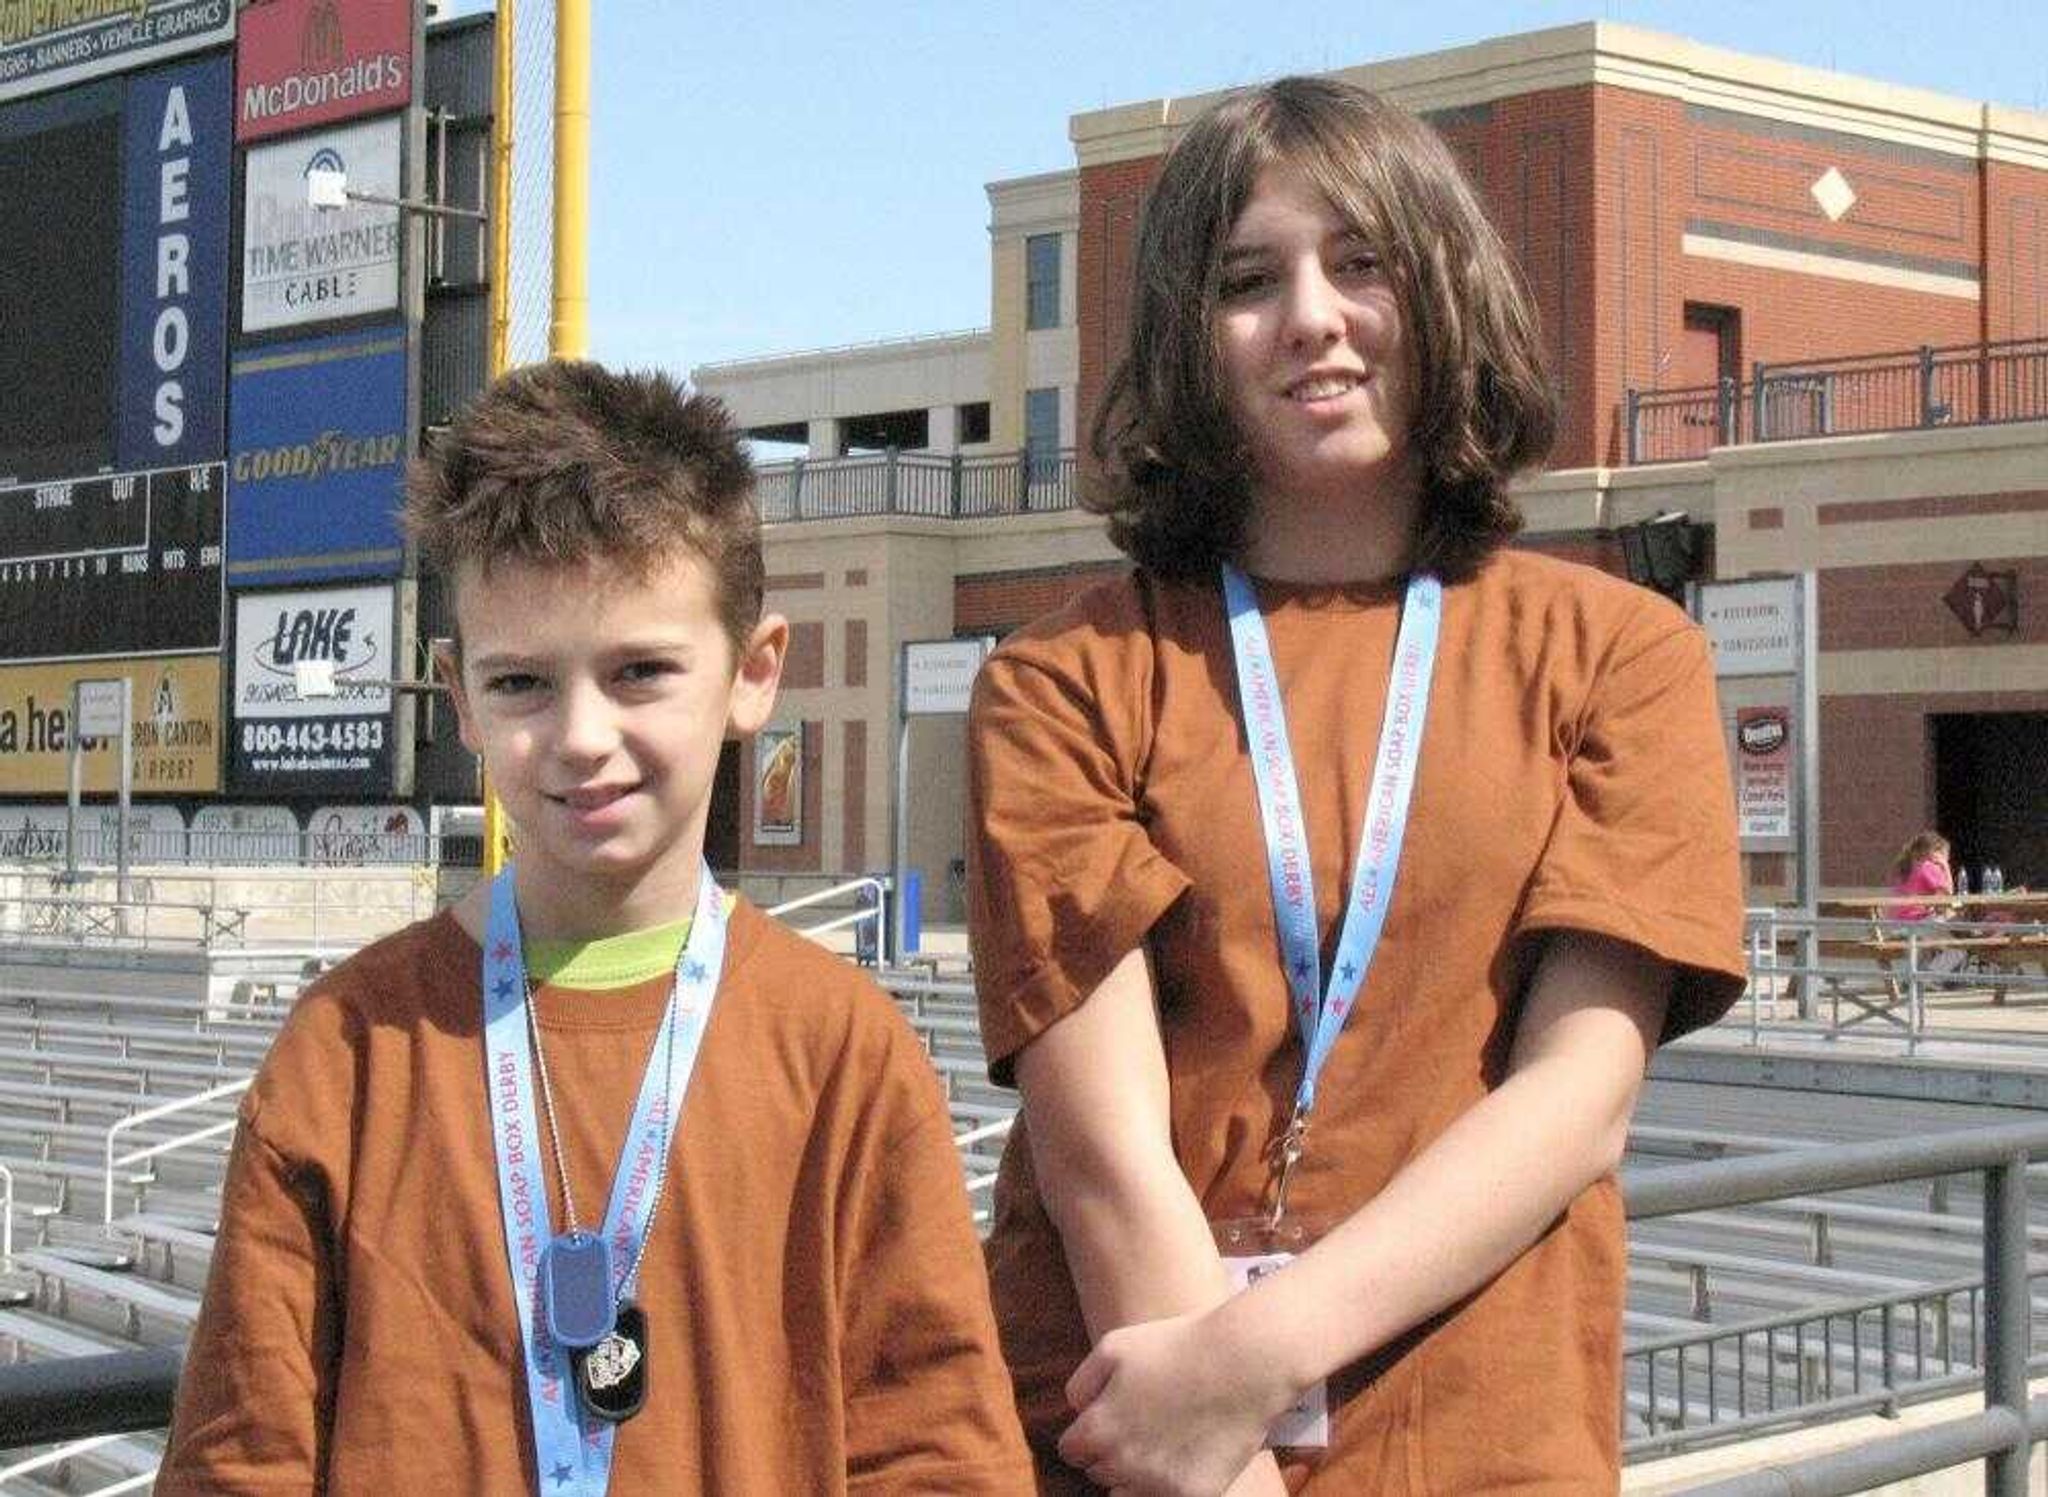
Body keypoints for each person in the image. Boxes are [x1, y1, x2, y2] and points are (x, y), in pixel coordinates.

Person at [965, 77, 1746, 1495]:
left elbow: (1580, 1094)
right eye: (1249, 280)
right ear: (1186, 339)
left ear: (1445, 289)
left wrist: (1251, 1363)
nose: (1313, 317)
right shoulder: (1064, 674)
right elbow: (1100, 1145)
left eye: (1362, 261)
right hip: (1124, 1425)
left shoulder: (1621, 656)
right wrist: (1219, 1449)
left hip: (1471, 1429)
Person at [159, 363, 1032, 1494]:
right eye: (521, 682)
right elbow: (243, 1460)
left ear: (753, 673)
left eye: (639, 673)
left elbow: (939, 1459)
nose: (580, 736)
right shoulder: (346, 1054)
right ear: (457, 694)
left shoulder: (846, 1061)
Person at [1888, 831, 1956, 921]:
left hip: (1898, 920)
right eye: (1946, 854)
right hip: (1917, 919)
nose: (1947, 858)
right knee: (1952, 914)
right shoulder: (1928, 866)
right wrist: (1946, 866)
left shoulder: (1907, 866)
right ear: (1936, 853)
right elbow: (1948, 894)